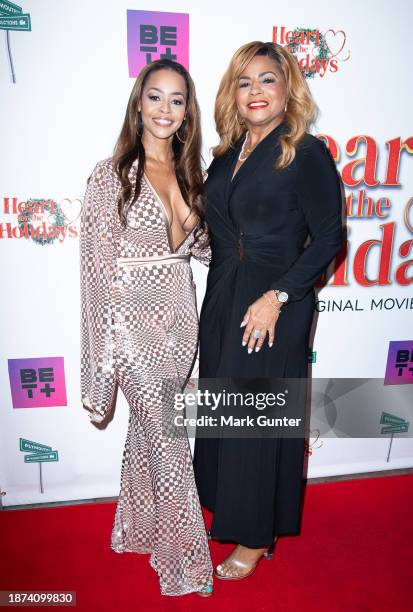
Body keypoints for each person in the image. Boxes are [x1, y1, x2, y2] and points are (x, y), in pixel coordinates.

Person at [193, 41, 344, 580]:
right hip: (225, 295)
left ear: (288, 90)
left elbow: (328, 239)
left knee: (257, 418)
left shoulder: (305, 151)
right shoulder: (227, 155)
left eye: (267, 80)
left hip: (275, 301)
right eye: (244, 81)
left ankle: (256, 536)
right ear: (232, 94)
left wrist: (277, 297)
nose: (255, 91)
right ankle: (230, 508)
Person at [80, 59, 213, 596]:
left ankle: (137, 529)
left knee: (153, 434)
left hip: (181, 320)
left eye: (176, 100)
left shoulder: (189, 173)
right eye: (154, 97)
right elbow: (95, 272)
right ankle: (185, 566)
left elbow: (199, 249)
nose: (164, 109)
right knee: (170, 442)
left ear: (187, 112)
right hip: (132, 328)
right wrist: (103, 361)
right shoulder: (108, 176)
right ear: (138, 103)